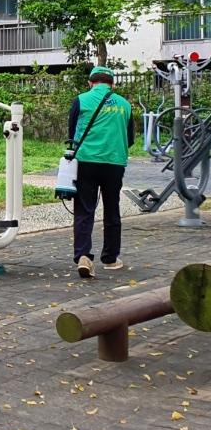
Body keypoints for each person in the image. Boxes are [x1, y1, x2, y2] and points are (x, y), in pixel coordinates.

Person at [68, 65, 134, 279]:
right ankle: (111, 258)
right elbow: (130, 138)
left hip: (85, 161)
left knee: (84, 209)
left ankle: (83, 256)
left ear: (90, 82)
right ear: (112, 84)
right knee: (112, 209)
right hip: (114, 163)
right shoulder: (125, 105)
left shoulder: (81, 100)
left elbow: (72, 132)